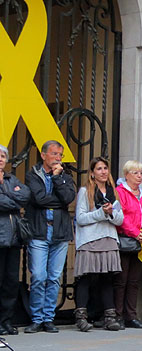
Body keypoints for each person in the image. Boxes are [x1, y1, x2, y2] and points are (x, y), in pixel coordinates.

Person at [24, 140, 76, 334]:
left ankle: (48, 318)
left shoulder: (65, 177)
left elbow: (68, 198)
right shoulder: (32, 175)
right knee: (39, 276)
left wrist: (57, 178)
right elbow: (38, 199)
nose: (57, 158)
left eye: (60, 155)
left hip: (59, 233)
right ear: (43, 155)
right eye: (54, 154)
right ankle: (36, 319)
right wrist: (58, 202)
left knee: (54, 278)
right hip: (39, 232)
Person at [73, 157, 124, 332]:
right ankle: (81, 317)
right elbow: (81, 218)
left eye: (105, 168)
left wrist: (110, 213)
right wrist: (101, 213)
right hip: (90, 240)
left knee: (107, 278)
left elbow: (120, 219)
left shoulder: (113, 192)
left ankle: (109, 317)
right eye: (99, 169)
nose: (103, 172)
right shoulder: (85, 191)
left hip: (108, 238)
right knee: (85, 278)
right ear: (92, 173)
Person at [113, 160, 142, 330]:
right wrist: (136, 233)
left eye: (141, 173)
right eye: (135, 173)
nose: (139, 176)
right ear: (126, 175)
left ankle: (131, 315)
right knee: (121, 280)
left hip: (141, 243)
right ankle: (118, 315)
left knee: (134, 281)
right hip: (126, 240)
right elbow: (121, 217)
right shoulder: (120, 192)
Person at [0, 144, 30, 336]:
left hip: (13, 240)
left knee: (11, 282)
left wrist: (5, 193)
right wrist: (13, 199)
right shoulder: (12, 184)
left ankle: (6, 321)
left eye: (3, 157)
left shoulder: (11, 179)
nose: (0, 160)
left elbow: (25, 196)